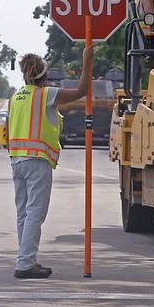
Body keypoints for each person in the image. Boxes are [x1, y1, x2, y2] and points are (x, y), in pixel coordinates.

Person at [7, 46, 93, 279]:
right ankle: (25, 263)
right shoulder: (47, 94)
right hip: (37, 160)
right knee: (35, 212)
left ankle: (26, 258)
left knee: (23, 213)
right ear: (44, 75)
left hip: (17, 160)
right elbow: (82, 90)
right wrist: (87, 60)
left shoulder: (15, 96)